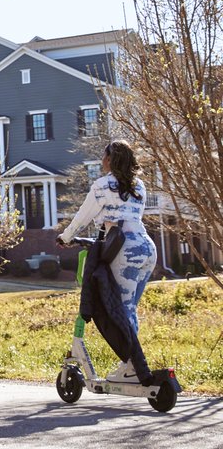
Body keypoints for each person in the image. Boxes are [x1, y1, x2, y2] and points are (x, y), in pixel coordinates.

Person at [58, 139, 157, 382]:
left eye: (104, 156)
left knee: (121, 310)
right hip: (146, 248)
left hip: (125, 251)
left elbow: (83, 216)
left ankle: (133, 367)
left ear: (111, 159)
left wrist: (66, 237)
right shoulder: (139, 186)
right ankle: (132, 364)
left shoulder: (102, 186)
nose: (102, 161)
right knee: (129, 309)